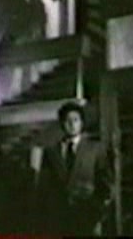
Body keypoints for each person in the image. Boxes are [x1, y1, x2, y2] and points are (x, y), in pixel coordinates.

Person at [36, 101, 112, 235]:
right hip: (58, 218)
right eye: (68, 120)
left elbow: (105, 183)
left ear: (81, 123)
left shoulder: (95, 149)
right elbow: (45, 185)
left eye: (75, 120)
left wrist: (97, 213)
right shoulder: (51, 152)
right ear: (62, 124)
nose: (72, 124)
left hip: (87, 215)